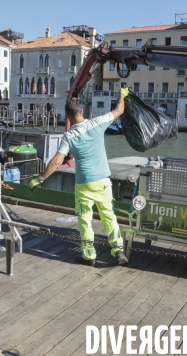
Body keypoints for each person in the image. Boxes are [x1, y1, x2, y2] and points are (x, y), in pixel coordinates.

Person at [29, 89, 129, 266]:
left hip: (84, 184)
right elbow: (119, 110)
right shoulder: (97, 123)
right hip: (103, 182)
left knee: (85, 220)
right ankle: (118, 250)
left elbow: (56, 161)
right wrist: (122, 94)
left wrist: (40, 178)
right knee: (108, 216)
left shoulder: (69, 136)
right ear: (81, 111)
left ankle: (89, 256)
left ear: (68, 117)